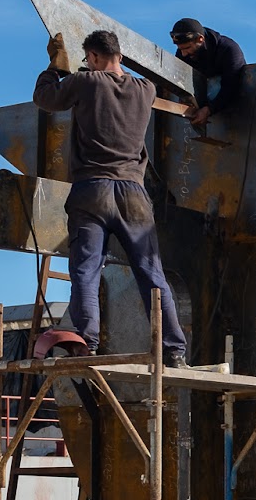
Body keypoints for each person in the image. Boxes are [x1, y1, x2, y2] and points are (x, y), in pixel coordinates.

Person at [33, 29, 189, 367]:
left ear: (93, 58)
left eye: (88, 60)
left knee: (86, 270)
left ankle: (86, 345)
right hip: (134, 193)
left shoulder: (87, 83)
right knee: (151, 274)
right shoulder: (145, 89)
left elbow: (45, 98)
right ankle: (174, 350)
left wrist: (55, 68)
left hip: (92, 189)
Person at [170, 18, 245, 126]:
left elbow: (231, 85)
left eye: (187, 48)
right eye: (180, 49)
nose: (184, 54)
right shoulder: (183, 55)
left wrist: (209, 109)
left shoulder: (229, 50)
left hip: (235, 112)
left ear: (200, 39)